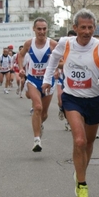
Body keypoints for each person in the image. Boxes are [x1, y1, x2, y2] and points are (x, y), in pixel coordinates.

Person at [42, 8, 99, 197]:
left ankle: (79, 172)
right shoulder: (65, 44)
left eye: (90, 27)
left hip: (94, 100)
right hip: (72, 98)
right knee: (79, 140)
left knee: (89, 142)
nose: (87, 31)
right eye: (83, 27)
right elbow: (52, 62)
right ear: (74, 28)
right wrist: (47, 80)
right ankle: (82, 185)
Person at [18, 17, 57, 152]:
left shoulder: (52, 44)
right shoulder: (29, 44)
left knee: (44, 114)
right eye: (39, 29)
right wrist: (21, 68)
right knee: (38, 107)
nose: (42, 31)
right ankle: (36, 140)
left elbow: (62, 59)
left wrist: (57, 68)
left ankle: (39, 125)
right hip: (33, 80)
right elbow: (20, 55)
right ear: (34, 29)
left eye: (44, 29)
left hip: (48, 81)